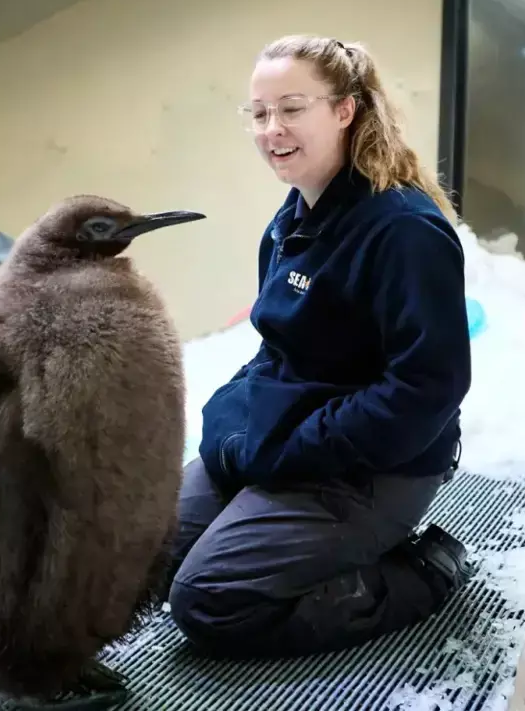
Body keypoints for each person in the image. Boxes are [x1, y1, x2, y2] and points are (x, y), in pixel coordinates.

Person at [163, 35, 473, 660]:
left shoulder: (404, 231)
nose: (271, 128)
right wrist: (233, 422)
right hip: (297, 443)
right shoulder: (292, 219)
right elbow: (277, 351)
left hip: (378, 465)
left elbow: (425, 390)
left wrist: (291, 450)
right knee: (141, 549)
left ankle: (421, 572)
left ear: (345, 110)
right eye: (258, 112)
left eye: (291, 108)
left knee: (210, 599)